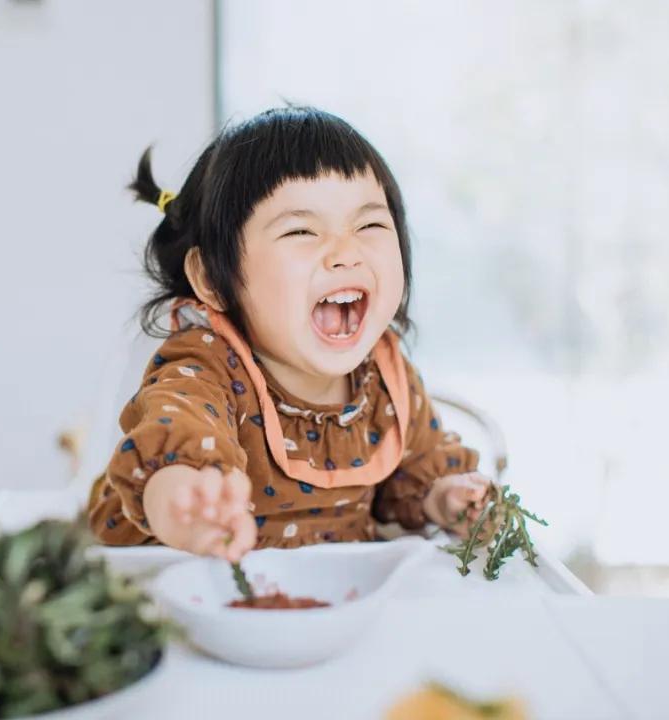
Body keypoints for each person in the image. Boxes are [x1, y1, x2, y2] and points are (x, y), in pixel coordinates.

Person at [88, 106, 490, 563]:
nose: (345, 253)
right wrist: (183, 497)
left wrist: (443, 497)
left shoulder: (386, 377)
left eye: (370, 225)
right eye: (301, 230)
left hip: (330, 605)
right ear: (213, 280)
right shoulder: (205, 366)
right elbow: (178, 428)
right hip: (186, 592)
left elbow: (413, 470)